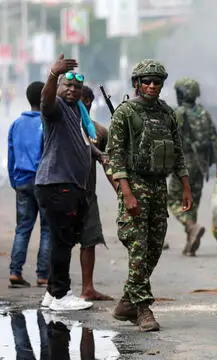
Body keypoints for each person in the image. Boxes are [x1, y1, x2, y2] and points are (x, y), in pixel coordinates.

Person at [107, 59, 192, 332]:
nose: (152, 86)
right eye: (147, 81)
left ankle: (126, 303)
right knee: (138, 249)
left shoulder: (167, 114)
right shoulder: (125, 113)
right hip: (135, 185)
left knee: (154, 247)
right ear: (137, 84)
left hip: (159, 187)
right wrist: (127, 193)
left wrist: (186, 187)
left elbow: (178, 153)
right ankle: (143, 308)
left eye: (157, 82)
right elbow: (116, 157)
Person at [36, 54, 93, 311]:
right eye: (66, 85)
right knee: (62, 241)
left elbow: (82, 144)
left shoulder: (76, 113)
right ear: (59, 88)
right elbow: (45, 103)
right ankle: (61, 294)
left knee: (63, 239)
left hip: (68, 185)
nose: (72, 90)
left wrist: (100, 156)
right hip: (58, 183)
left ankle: (51, 293)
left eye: (76, 87)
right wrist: (52, 74)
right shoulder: (56, 107)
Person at [166, 77, 217, 255]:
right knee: (192, 203)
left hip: (184, 163)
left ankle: (191, 227)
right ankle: (190, 242)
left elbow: (170, 139)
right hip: (201, 165)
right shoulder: (204, 114)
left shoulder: (179, 113)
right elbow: (214, 141)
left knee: (173, 200)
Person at [7, 81, 51, 289]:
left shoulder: (16, 123)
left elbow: (11, 155)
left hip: (22, 181)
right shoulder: (46, 122)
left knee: (22, 228)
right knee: (47, 229)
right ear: (44, 98)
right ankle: (42, 275)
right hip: (42, 181)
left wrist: (14, 180)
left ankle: (15, 271)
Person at [76, 85, 115, 301]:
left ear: (89, 101)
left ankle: (87, 288)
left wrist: (121, 190)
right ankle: (55, 290)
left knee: (89, 240)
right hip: (64, 194)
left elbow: (107, 164)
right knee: (59, 241)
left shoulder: (99, 132)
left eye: (79, 97)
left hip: (88, 194)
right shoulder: (64, 126)